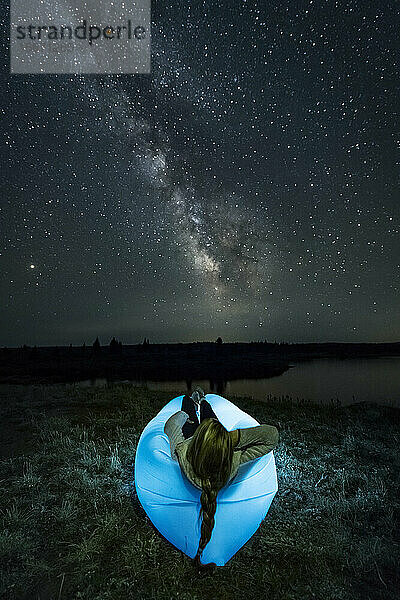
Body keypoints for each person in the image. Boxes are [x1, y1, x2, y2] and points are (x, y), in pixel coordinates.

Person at [164, 386, 279, 571]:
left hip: (197, 440)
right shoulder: (233, 459)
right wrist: (228, 438)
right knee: (210, 416)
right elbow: (271, 435)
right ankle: (202, 402)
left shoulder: (183, 453)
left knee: (187, 407)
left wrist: (185, 418)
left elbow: (170, 426)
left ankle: (193, 402)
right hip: (211, 444)